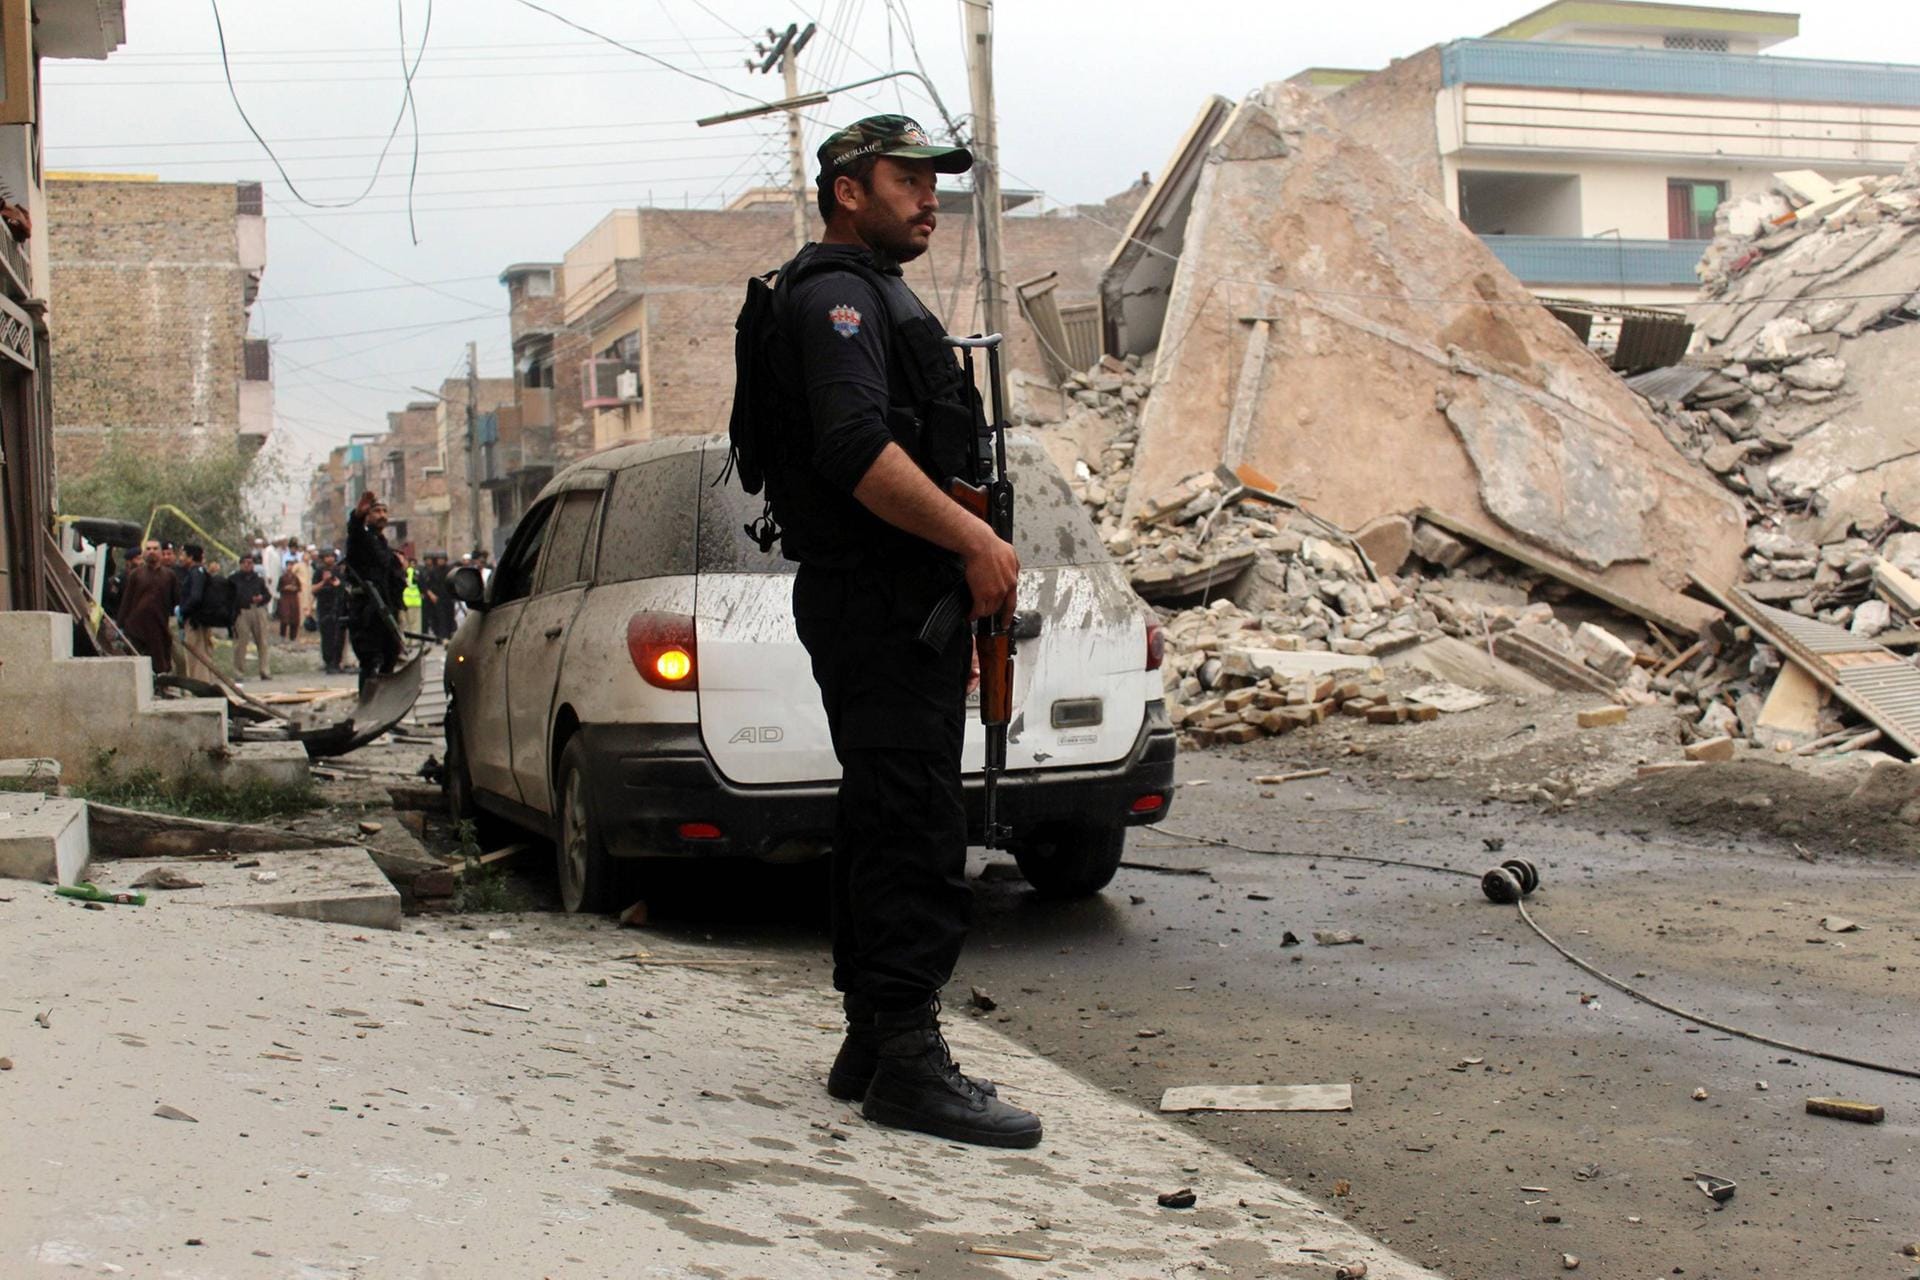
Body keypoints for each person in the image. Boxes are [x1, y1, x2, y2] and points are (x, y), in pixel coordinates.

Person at [760, 115, 1036, 1148]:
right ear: (846, 189)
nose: (929, 197)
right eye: (906, 178)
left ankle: (873, 1039)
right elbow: (852, 445)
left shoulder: (863, 292)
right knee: (916, 821)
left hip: (885, 601)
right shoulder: (837, 296)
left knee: (883, 813)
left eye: (936, 180)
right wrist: (972, 539)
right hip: (880, 600)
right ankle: (910, 1057)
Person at [345, 491, 404, 695]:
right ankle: (367, 706)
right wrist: (357, 515)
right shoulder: (361, 539)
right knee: (371, 661)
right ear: (367, 516)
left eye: (384, 511)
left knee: (390, 658)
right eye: (376, 511)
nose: (381, 515)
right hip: (367, 613)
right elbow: (354, 531)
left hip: (386, 611)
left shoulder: (382, 544)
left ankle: (382, 707)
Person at [115, 540, 177, 676]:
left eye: (155, 548)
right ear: (144, 553)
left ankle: (161, 687)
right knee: (137, 663)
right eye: (148, 549)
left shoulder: (169, 575)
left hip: (159, 626)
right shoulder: (135, 575)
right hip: (136, 627)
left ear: (160, 553)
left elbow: (175, 600)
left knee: (160, 663)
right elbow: (126, 601)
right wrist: (119, 625)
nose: (152, 551)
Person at [176, 544, 218, 683]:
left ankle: (200, 687)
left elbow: (196, 597)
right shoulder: (201, 572)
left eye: (183, 555)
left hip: (195, 622)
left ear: (190, 557)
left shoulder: (195, 573)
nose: (180, 558)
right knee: (203, 655)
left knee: (196, 658)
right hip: (202, 620)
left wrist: (183, 611)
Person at [229, 554, 273, 681]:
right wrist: (247, 599)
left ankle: (265, 670)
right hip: (242, 611)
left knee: (262, 641)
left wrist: (262, 598)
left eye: (251, 563)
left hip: (258, 610)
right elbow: (230, 597)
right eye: (246, 563)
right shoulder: (234, 579)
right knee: (240, 643)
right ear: (241, 564)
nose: (249, 565)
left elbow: (267, 595)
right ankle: (238, 672)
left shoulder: (258, 579)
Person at [313, 550, 347, 675]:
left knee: (339, 637)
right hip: (324, 607)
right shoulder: (318, 572)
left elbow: (344, 587)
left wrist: (337, 583)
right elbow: (313, 589)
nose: (329, 559)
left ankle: (337, 662)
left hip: (338, 607)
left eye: (331, 556)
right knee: (327, 637)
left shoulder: (338, 571)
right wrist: (324, 582)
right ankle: (329, 663)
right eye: (327, 556)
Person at [275, 557, 303, 643]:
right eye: (288, 565)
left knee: (294, 619)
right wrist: (285, 588)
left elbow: (299, 588)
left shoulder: (295, 578)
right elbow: (278, 588)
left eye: (292, 565)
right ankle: (282, 635)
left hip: (293, 599)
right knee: (284, 618)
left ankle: (292, 637)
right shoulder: (282, 577)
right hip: (285, 599)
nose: (290, 567)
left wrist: (295, 588)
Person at [398, 552, 423, 638]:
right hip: (413, 601)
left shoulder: (400, 572)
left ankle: (406, 641)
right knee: (414, 624)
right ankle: (414, 641)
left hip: (404, 602)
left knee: (405, 625)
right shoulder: (414, 572)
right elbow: (421, 584)